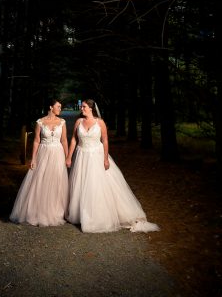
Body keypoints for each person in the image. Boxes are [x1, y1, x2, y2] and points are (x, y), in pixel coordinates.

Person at [65, 98, 159, 233]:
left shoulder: (100, 123)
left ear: (91, 108)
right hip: (81, 155)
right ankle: (81, 213)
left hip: (96, 155)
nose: (82, 108)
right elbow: (74, 139)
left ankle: (97, 215)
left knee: (96, 184)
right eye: (82, 106)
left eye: (84, 106)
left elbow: (105, 140)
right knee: (81, 183)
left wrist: (105, 158)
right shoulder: (79, 122)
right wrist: (69, 156)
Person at [9, 98, 70, 226]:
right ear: (50, 107)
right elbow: (36, 140)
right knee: (41, 180)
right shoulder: (40, 122)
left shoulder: (62, 122)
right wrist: (34, 158)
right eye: (58, 106)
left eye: (60, 106)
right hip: (44, 152)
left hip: (58, 153)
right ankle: (39, 210)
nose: (60, 108)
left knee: (57, 180)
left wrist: (67, 156)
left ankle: (57, 210)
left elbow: (64, 140)